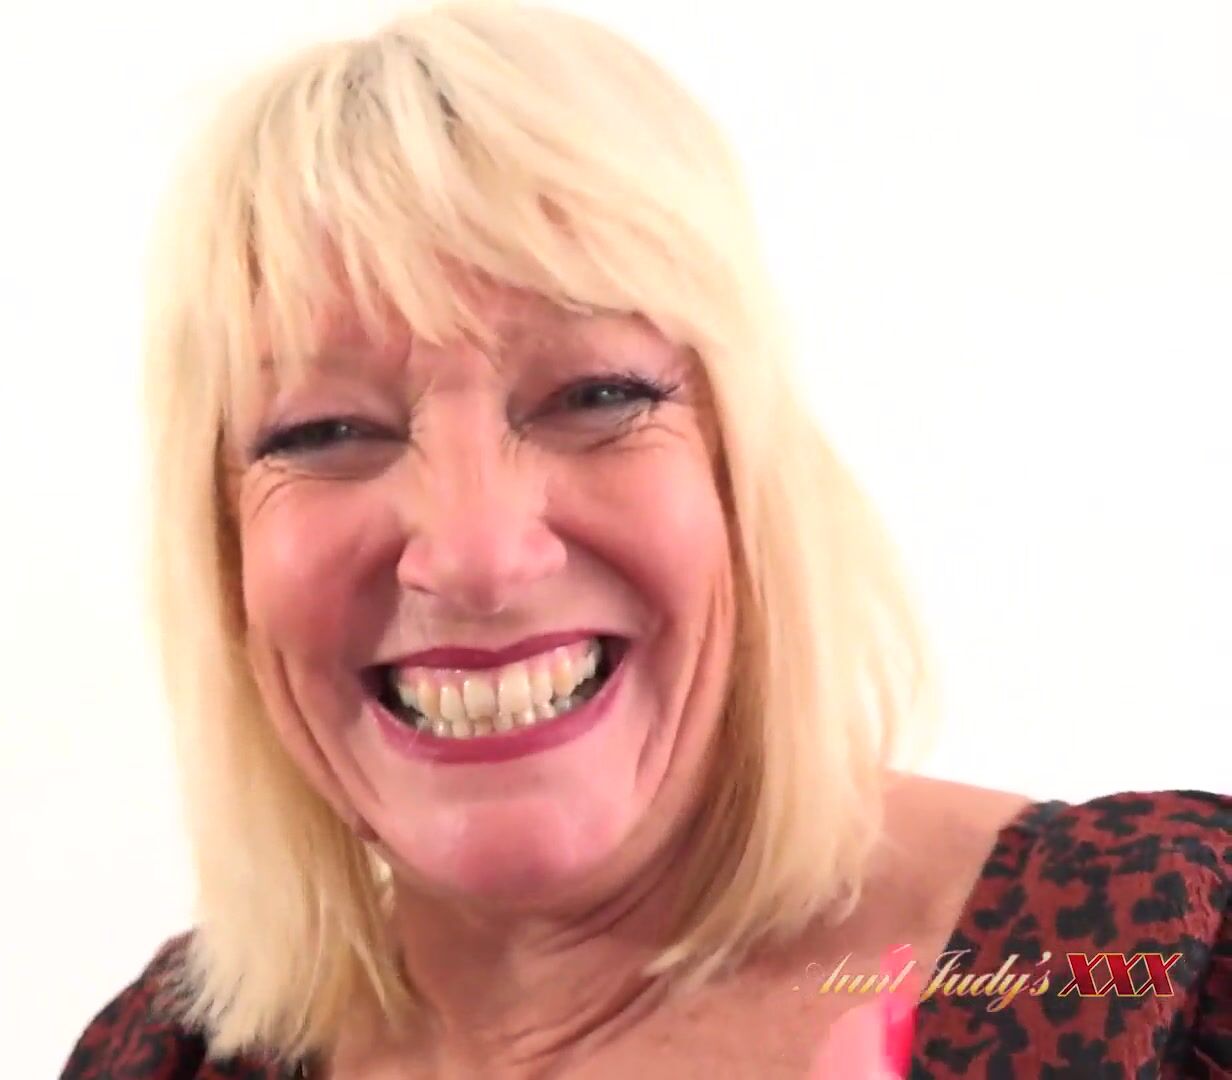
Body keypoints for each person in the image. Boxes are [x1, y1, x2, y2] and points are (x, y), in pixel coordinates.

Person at [62, 3, 1230, 1076]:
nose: (477, 554)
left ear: (743, 468)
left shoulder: (1142, 975)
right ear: (220, 547)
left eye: (598, 397)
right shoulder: (163, 1058)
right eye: (324, 431)